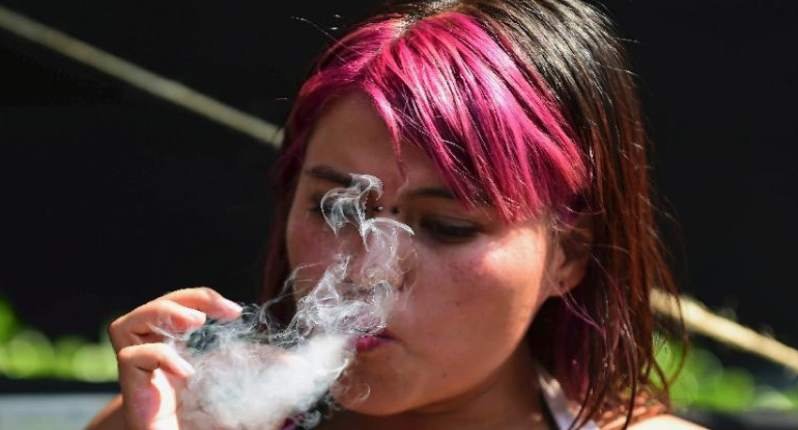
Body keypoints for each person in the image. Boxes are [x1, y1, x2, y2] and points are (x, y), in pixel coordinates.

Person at [88, 1, 706, 428]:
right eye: (335, 209)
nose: (366, 270)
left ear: (566, 256)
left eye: (447, 226)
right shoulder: (178, 422)